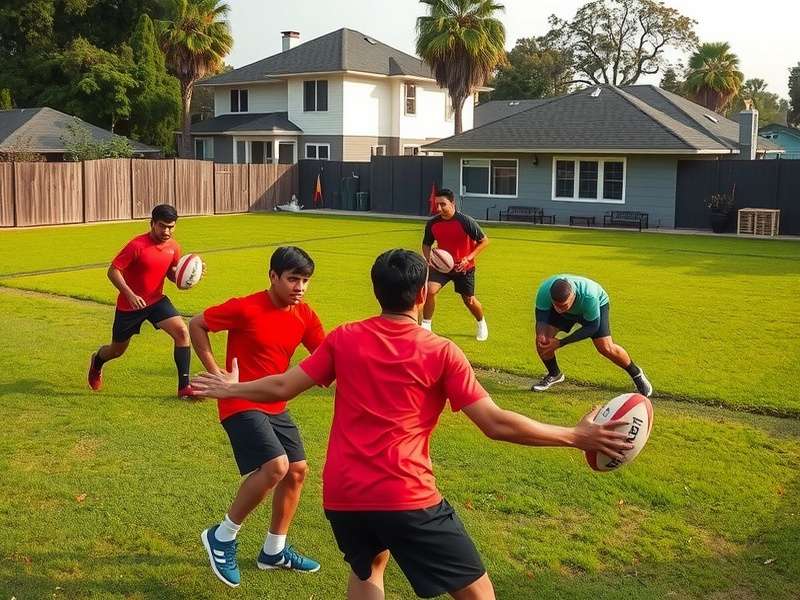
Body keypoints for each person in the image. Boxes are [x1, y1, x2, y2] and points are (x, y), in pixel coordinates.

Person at [191, 249, 633, 600]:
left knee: (370, 567)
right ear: (423, 293)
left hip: (344, 497)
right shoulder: (441, 352)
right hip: (405, 495)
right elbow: (495, 424)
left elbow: (284, 386)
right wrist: (576, 436)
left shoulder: (345, 338)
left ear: (376, 290)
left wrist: (230, 388)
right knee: (478, 591)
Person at [189, 246, 325, 588]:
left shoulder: (305, 316)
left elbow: (325, 357)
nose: (300, 287)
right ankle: (222, 535)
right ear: (273, 277)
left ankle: (273, 551)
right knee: (275, 466)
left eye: (305, 280)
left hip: (274, 403)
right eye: (293, 279)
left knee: (296, 471)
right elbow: (197, 323)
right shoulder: (246, 307)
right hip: (239, 400)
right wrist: (216, 373)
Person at [87, 203, 200, 398]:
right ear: (152, 224)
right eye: (162, 226)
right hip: (130, 307)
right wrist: (129, 294)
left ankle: (184, 388)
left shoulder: (174, 247)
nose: (166, 231)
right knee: (116, 351)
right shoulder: (136, 246)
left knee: (182, 332)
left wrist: (187, 279)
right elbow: (113, 271)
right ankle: (97, 361)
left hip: (156, 302)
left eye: (171, 226)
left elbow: (172, 275)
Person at [531, 274, 653, 396]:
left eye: (564, 305)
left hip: (596, 306)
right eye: (556, 305)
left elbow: (592, 327)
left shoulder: (589, 296)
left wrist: (560, 343)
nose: (560, 309)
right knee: (542, 342)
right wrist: (541, 334)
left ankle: (636, 373)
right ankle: (554, 374)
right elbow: (541, 317)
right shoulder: (544, 291)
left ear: (573, 296)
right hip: (572, 307)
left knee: (605, 347)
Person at [421, 189, 490, 341]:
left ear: (452, 203)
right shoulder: (433, 223)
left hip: (464, 268)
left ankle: (481, 323)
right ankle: (425, 326)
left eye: (443, 204)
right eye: (436, 204)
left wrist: (468, 258)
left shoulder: (465, 221)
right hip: (442, 267)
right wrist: (429, 260)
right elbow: (426, 244)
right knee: (430, 291)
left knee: (469, 300)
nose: (439, 208)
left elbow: (484, 241)